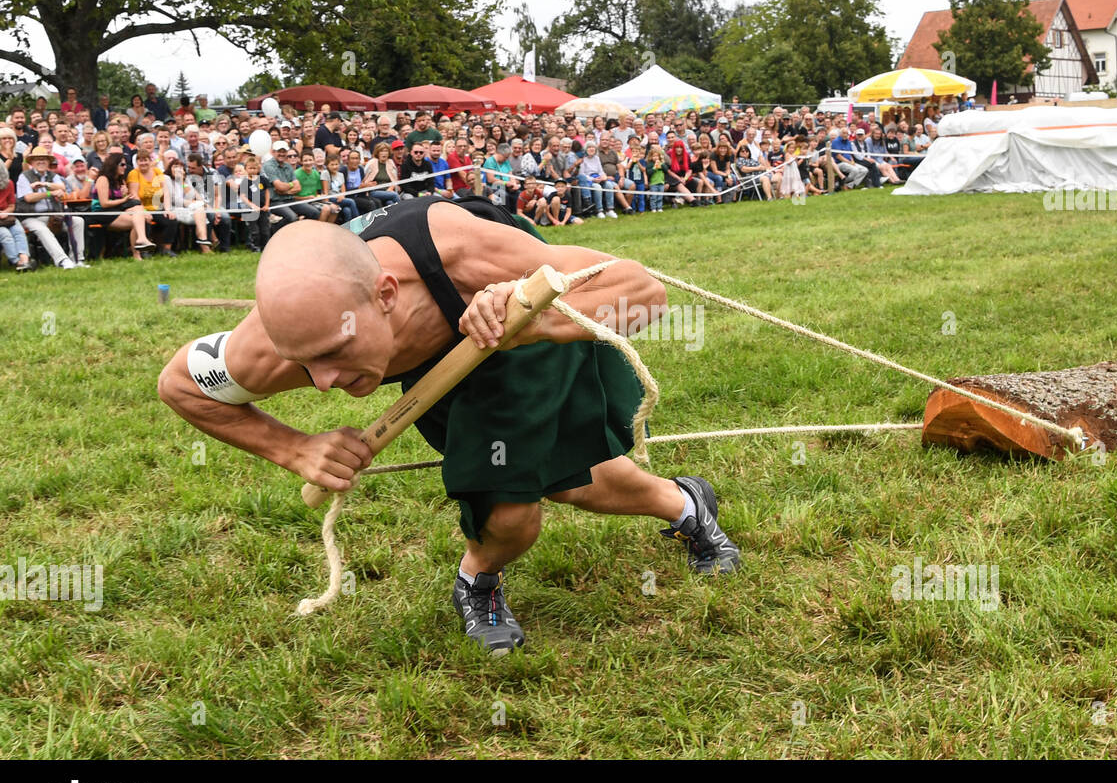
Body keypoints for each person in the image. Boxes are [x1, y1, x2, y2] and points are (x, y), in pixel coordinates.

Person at [156, 204, 740, 655]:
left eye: (335, 351)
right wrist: (295, 449)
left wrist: (525, 315)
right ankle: (686, 505)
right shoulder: (274, 346)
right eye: (305, 362)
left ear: (386, 295)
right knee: (565, 480)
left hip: (514, 327)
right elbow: (180, 385)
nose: (325, 382)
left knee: (510, 503)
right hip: (429, 362)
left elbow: (644, 294)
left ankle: (477, 580)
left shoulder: (460, 251)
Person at [14, 146, 84, 268]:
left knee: (78, 221)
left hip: (54, 215)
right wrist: (49, 193)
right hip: (31, 217)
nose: (41, 162)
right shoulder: (24, 176)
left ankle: (78, 260)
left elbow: (62, 187)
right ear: (31, 162)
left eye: (44, 159)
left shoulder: (53, 175)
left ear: (48, 162)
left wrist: (45, 185)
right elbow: (28, 198)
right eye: (37, 159)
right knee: (42, 229)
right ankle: (62, 260)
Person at [0, 160, 34, 270]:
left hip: (7, 217)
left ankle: (25, 259)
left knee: (19, 232)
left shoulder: (9, 183)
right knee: (6, 235)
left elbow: (12, 205)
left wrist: (6, 212)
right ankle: (17, 262)